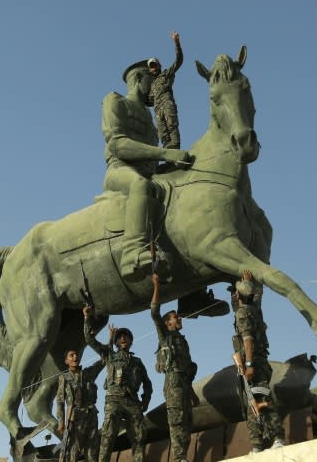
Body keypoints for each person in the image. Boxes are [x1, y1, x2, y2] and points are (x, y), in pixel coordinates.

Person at [101, 60, 192, 280]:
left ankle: (191, 291)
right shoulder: (115, 101)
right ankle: (133, 253)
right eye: (151, 82)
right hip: (120, 171)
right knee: (139, 185)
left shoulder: (152, 122)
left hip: (150, 173)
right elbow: (117, 145)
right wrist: (164, 154)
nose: (154, 90)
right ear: (139, 79)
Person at [84, 306, 152, 462]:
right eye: (120, 337)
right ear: (115, 342)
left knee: (139, 437)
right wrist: (87, 318)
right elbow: (89, 340)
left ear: (131, 341)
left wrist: (146, 400)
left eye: (126, 336)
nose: (123, 339)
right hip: (113, 400)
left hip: (132, 401)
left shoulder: (137, 362)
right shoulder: (109, 355)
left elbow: (147, 383)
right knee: (107, 437)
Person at [231, 271, 285, 453]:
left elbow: (247, 340)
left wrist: (248, 365)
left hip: (252, 363)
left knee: (259, 400)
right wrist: (250, 283)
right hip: (260, 361)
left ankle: (272, 439)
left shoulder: (242, 314)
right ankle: (260, 443)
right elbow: (257, 296)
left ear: (238, 295)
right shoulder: (254, 309)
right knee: (257, 400)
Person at [150, 273, 199, 462]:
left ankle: (183, 457)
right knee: (177, 422)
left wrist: (193, 393)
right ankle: (179, 458)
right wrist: (156, 286)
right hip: (173, 384)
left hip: (184, 384)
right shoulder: (165, 336)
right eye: (174, 317)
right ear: (167, 323)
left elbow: (187, 371)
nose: (179, 318)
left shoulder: (182, 342)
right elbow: (154, 312)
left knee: (187, 423)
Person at [55, 347, 104, 462]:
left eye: (76, 355)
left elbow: (103, 361)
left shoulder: (88, 373)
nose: (75, 357)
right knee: (73, 452)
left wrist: (110, 342)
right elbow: (60, 401)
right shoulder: (64, 378)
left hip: (91, 416)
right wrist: (61, 422)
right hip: (75, 419)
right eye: (71, 355)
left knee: (92, 452)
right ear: (66, 361)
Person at [147, 31, 184, 150]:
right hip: (157, 110)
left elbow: (179, 61)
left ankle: (176, 151)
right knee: (163, 133)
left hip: (167, 104)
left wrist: (177, 43)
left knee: (171, 126)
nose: (153, 68)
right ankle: (169, 155)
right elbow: (148, 100)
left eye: (154, 65)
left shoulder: (166, 74)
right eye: (151, 66)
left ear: (159, 65)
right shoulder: (152, 85)